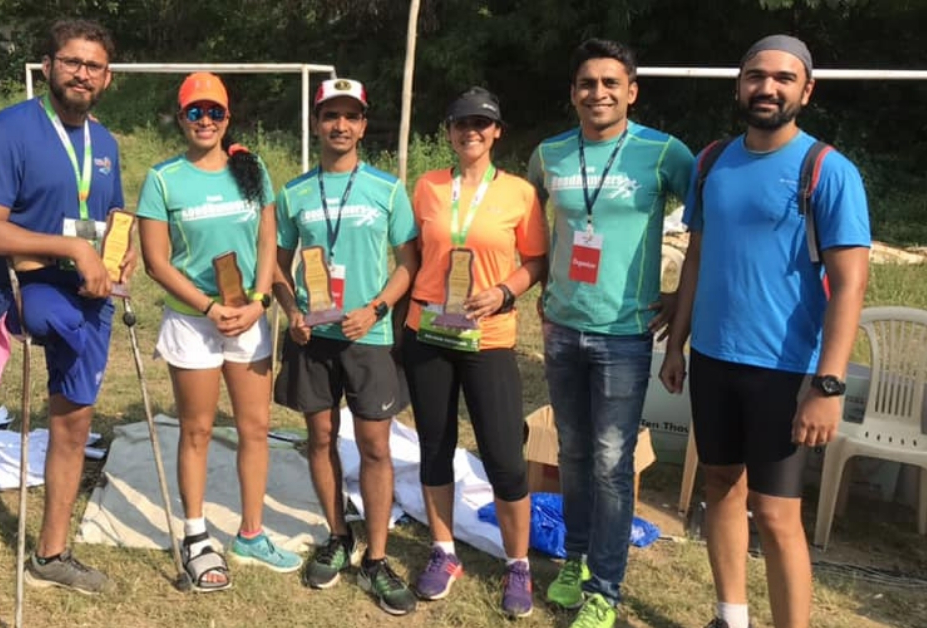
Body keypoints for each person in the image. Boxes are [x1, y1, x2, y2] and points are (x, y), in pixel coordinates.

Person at [660, 35, 870, 628]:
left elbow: (850, 283)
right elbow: (696, 258)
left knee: (777, 514)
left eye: (782, 78)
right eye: (756, 76)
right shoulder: (712, 162)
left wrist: (828, 386)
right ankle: (731, 616)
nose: (767, 88)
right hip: (714, 358)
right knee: (721, 486)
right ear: (739, 85)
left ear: (806, 89)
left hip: (785, 370)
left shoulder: (827, 170)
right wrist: (676, 344)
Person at [526, 39, 694, 628]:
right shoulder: (549, 155)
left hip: (625, 333)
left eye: (609, 83)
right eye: (586, 83)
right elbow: (529, 229)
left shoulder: (664, 153)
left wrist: (681, 300)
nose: (597, 93)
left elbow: (705, 226)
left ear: (632, 91)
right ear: (573, 92)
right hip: (562, 327)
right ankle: (574, 560)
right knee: (572, 453)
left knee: (609, 460)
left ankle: (606, 586)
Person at [0, 19, 129, 595]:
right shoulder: (7, 130)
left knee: (75, 422)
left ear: (106, 78)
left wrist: (119, 256)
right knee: (56, 324)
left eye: (92, 66)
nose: (81, 73)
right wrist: (70, 248)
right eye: (71, 62)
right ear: (48, 67)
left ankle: (52, 553)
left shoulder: (106, 144)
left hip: (91, 289)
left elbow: (111, 221)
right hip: (28, 286)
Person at [137, 71, 300, 592]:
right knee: (198, 430)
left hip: (248, 317)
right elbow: (156, 263)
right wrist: (208, 306)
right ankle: (196, 534)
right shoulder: (162, 179)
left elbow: (268, 240)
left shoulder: (251, 170)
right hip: (193, 321)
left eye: (214, 112)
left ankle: (250, 532)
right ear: (180, 118)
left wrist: (256, 301)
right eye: (194, 112)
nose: (205, 121)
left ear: (228, 118)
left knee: (254, 428)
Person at [271, 78, 420, 615]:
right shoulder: (293, 193)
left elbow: (409, 264)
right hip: (314, 339)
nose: (339, 125)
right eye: (329, 115)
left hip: (369, 336)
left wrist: (376, 308)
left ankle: (376, 559)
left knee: (376, 447)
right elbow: (276, 266)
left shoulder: (387, 189)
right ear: (317, 123)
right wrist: (290, 312)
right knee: (320, 439)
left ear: (362, 124)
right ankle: (338, 535)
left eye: (349, 116)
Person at [402, 87, 549, 618]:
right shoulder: (427, 187)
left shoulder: (519, 194)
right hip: (429, 334)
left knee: (505, 458)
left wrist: (505, 290)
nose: (471, 131)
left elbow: (537, 259)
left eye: (482, 124)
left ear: (497, 132)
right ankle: (444, 552)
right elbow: (410, 258)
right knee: (435, 447)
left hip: (488, 338)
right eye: (462, 122)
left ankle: (518, 564)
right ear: (447, 131)